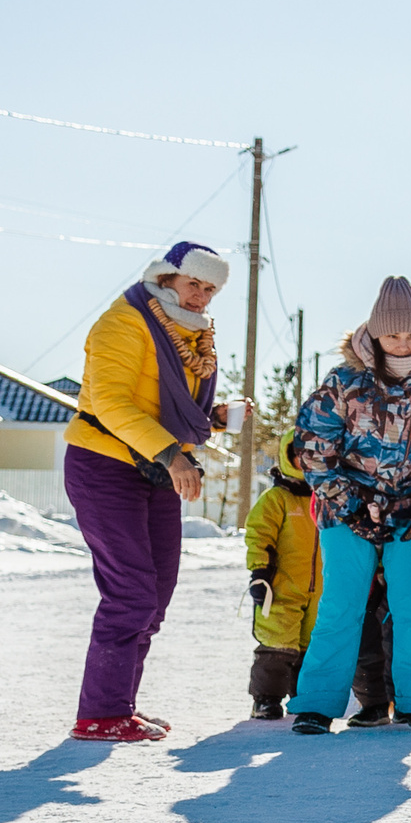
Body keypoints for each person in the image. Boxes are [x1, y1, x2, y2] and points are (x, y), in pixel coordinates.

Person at [62, 241, 237, 741]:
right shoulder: (126, 322)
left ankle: (120, 706)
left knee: (156, 594)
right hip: (106, 465)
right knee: (131, 592)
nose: (202, 295)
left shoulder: (190, 331)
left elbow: (165, 406)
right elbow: (114, 405)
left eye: (211, 288)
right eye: (194, 284)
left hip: (155, 466)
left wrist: (214, 420)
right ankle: (99, 714)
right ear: (166, 279)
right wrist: (171, 453)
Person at [288, 277, 411, 735]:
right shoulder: (344, 382)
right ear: (374, 333)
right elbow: (313, 446)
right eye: (393, 334)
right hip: (348, 510)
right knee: (341, 604)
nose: (402, 342)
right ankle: (316, 703)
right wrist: (346, 502)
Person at [245, 439, 323, 720]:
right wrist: (260, 572)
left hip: (320, 591)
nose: (306, 461)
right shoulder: (277, 498)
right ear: (288, 457)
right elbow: (259, 535)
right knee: (277, 643)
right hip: (281, 586)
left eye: (313, 455)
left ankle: (303, 694)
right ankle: (266, 698)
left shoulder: (328, 497)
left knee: (311, 644)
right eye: (299, 455)